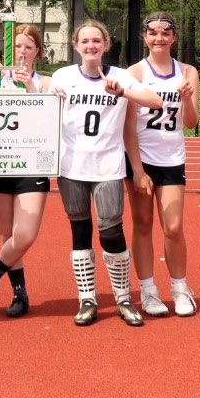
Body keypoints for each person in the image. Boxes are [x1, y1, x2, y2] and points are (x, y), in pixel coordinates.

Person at [49, 20, 164, 326]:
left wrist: (123, 91)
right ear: (76, 45)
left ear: (106, 44)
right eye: (85, 41)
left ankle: (123, 297)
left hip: (108, 166)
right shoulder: (62, 77)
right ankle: (87, 299)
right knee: (80, 232)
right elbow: (42, 111)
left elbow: (156, 101)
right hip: (71, 165)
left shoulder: (120, 75)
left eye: (96, 41)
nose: (90, 46)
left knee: (112, 232)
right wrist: (52, 102)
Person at [0, 0, 50, 318]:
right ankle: (19, 294)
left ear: (38, 51)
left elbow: (47, 120)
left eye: (29, 47)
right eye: (18, 46)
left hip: (31, 163)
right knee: (7, 232)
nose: (22, 52)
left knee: (27, 233)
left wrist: (32, 87)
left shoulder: (46, 82)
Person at [126, 11, 200, 317]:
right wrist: (139, 170)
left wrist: (186, 99)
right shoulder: (135, 72)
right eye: (153, 32)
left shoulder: (187, 72)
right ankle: (148, 289)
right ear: (145, 36)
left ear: (174, 37)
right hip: (142, 158)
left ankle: (180, 288)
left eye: (165, 32)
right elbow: (128, 127)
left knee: (173, 227)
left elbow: (193, 122)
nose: (159, 38)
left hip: (172, 159)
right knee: (142, 224)